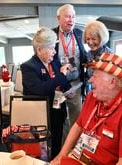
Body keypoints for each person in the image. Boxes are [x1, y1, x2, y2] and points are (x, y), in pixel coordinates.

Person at [51, 53, 122, 165]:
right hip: (77, 157)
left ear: (112, 82)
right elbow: (78, 126)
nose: (90, 80)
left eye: (95, 76)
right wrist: (60, 156)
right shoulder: (91, 97)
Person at [21, 27, 72, 159]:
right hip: (41, 115)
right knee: (41, 150)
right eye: (51, 48)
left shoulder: (54, 62)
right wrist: (61, 75)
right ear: (39, 49)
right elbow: (41, 89)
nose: (55, 52)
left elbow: (61, 82)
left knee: (56, 145)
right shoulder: (29, 67)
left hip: (57, 111)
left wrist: (68, 89)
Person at [52, 4, 86, 126]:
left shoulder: (79, 33)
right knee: (57, 118)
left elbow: (84, 55)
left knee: (77, 118)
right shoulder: (51, 35)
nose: (71, 20)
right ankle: (58, 144)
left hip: (75, 84)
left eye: (73, 17)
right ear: (58, 18)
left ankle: (75, 144)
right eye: (67, 16)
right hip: (57, 86)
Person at [83, 20, 113, 94]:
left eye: (93, 39)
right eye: (88, 39)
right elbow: (88, 75)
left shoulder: (108, 54)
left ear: (101, 38)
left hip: (106, 92)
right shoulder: (88, 54)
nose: (90, 42)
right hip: (93, 91)